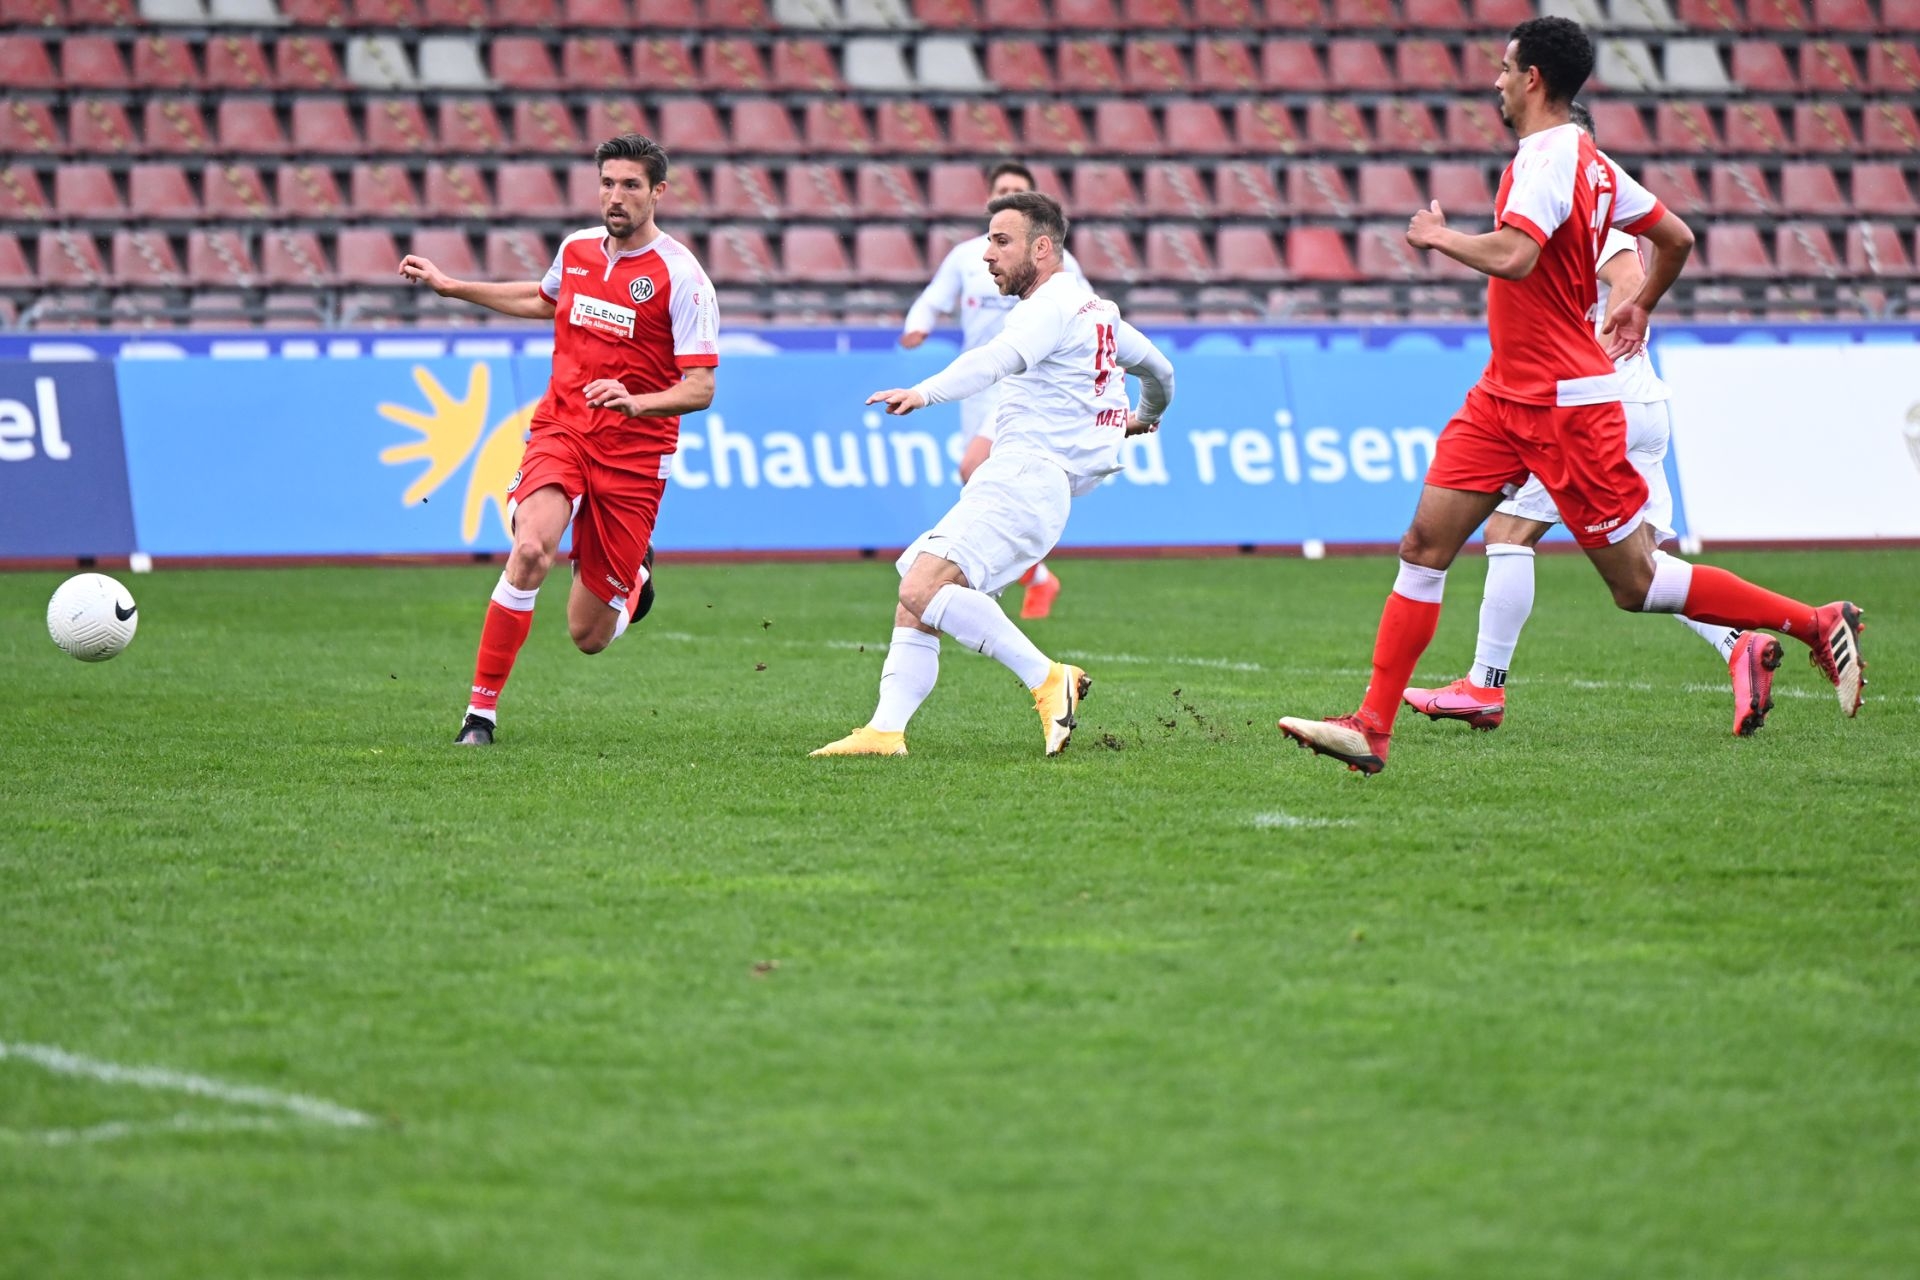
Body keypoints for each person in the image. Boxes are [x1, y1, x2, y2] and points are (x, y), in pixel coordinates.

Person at [1277, 17, 1865, 776]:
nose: (1496, 81)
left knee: (1638, 582)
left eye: (1504, 68)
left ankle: (1814, 622)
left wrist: (1438, 238)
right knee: (1423, 548)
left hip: (1566, 405)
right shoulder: (1589, 161)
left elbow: (1517, 255)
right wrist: (1641, 302)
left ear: (1533, 79)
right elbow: (1677, 237)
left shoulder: (1552, 158)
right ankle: (1371, 728)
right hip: (1504, 395)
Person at [1403, 100, 1781, 738]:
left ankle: (1483, 686)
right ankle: (1740, 644)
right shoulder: (1597, 194)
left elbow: (1628, 278)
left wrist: (1594, 355)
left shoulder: (1575, 197)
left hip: (1593, 402)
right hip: (1637, 402)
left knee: (1508, 531)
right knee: (1645, 563)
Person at [813, 191, 1174, 759]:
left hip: (1024, 477)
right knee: (917, 596)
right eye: (988, 240)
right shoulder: (1097, 312)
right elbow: (1161, 371)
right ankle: (884, 731)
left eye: (1002, 241)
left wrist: (923, 392)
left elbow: (994, 360)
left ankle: (1048, 678)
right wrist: (1143, 418)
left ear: (1042, 248)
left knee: (921, 587)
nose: (987, 254)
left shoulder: (1047, 308)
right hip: (1034, 484)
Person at [398, 133, 720, 746]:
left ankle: (635, 581)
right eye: (607, 183)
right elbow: (542, 299)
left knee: (588, 635)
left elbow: (701, 386)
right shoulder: (575, 250)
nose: (616, 196)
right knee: (530, 551)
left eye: (630, 185)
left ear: (658, 192)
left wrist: (637, 402)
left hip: (634, 456)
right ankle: (479, 717)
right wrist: (453, 286)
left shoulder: (683, 277)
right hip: (563, 429)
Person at [900, 162, 1091, 620]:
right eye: (1003, 189)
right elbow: (932, 298)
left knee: (973, 467)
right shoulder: (969, 256)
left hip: (1023, 381)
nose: (1009, 194)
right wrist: (918, 325)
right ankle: (1034, 577)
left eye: (1018, 190)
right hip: (976, 385)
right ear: (990, 197)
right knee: (980, 481)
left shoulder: (1056, 262)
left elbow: (1090, 310)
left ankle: (984, 572)